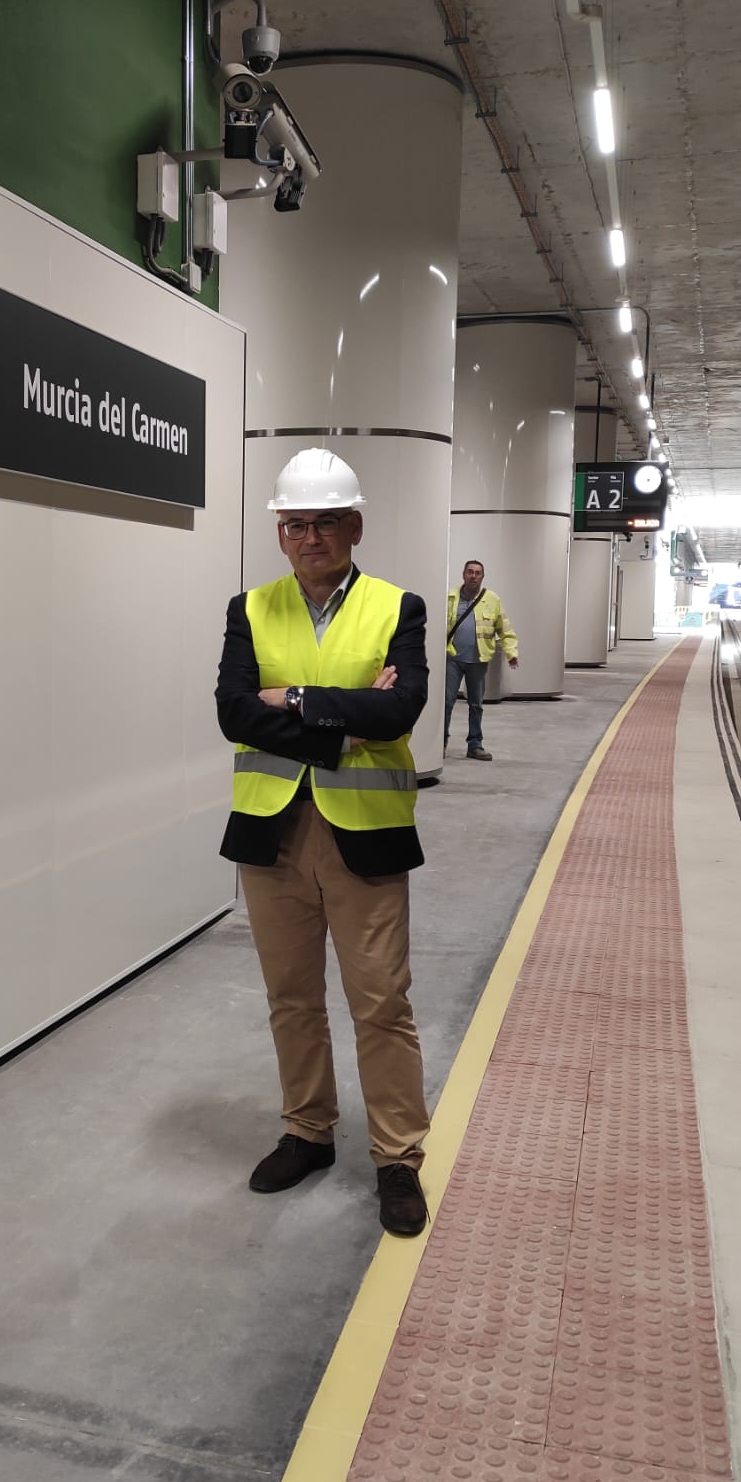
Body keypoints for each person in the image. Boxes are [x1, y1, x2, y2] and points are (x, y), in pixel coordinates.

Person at [215, 449, 432, 1237]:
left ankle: (397, 1154)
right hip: (271, 835)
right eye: (296, 524)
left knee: (380, 1000)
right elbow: (235, 714)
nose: (311, 536)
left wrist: (295, 698)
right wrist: (341, 724)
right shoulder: (250, 608)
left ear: (354, 526)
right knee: (292, 999)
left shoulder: (396, 607)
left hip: (364, 837)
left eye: (325, 522)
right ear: (281, 533)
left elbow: (400, 709)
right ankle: (308, 1131)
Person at [443, 560, 519, 760]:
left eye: (477, 573)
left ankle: (475, 745)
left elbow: (505, 628)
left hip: (478, 660)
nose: (473, 576)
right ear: (463, 574)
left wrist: (511, 653)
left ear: (482, 577)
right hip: (452, 658)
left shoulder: (492, 600)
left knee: (476, 704)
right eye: (470, 572)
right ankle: (440, 743)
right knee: (446, 702)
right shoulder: (450, 597)